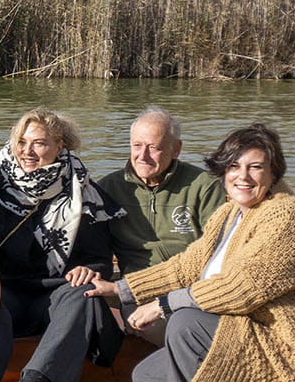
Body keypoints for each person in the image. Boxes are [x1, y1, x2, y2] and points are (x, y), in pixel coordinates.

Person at [87, 124, 295, 382]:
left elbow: (241, 288)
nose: (243, 176)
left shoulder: (287, 217)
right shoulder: (229, 213)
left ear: (274, 172)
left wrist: (162, 304)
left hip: (290, 350)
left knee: (186, 323)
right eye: (234, 166)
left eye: (255, 167)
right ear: (223, 170)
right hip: (249, 337)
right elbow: (186, 266)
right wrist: (119, 289)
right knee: (149, 378)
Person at [0, 108, 122, 382]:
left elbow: (99, 256)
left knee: (83, 293)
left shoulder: (84, 190)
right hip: (6, 290)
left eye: (39, 143)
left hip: (54, 294)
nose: (27, 151)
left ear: (60, 146)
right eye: (22, 142)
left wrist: (89, 268)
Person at [96, 108, 226, 274]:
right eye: (137, 146)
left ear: (176, 149)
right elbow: (94, 247)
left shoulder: (204, 186)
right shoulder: (107, 188)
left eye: (153, 147)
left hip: (188, 279)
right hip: (132, 280)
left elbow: (217, 248)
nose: (143, 156)